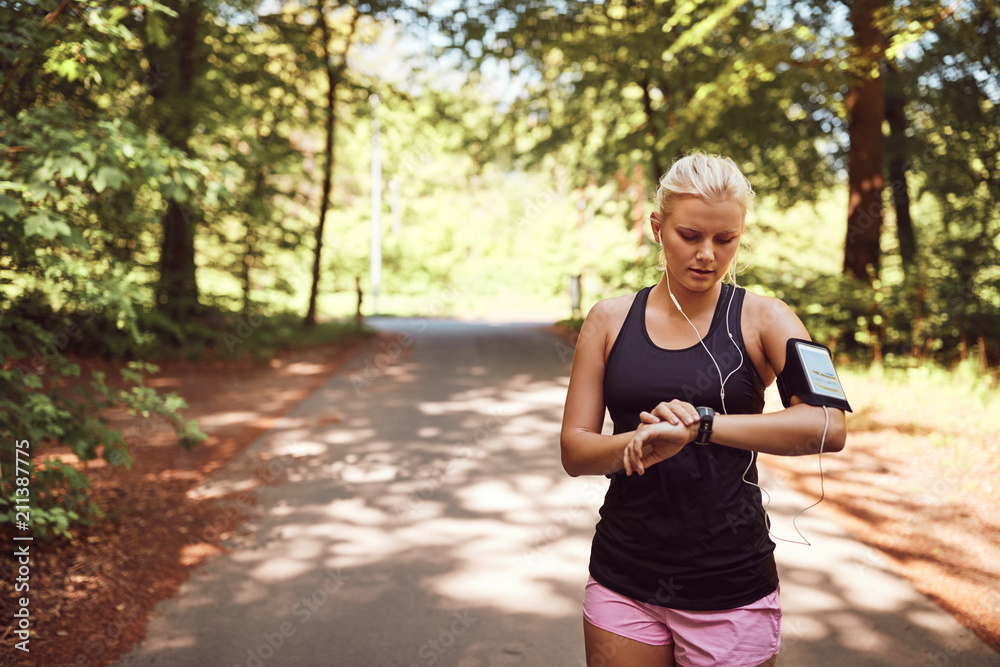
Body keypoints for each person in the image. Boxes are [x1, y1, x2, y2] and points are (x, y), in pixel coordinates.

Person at [559, 151, 849, 667]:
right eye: (689, 236)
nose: (707, 255)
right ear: (657, 227)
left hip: (730, 582)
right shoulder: (608, 320)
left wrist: (703, 428)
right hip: (623, 575)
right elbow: (576, 450)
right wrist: (637, 445)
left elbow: (828, 425)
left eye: (725, 239)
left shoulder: (767, 318)